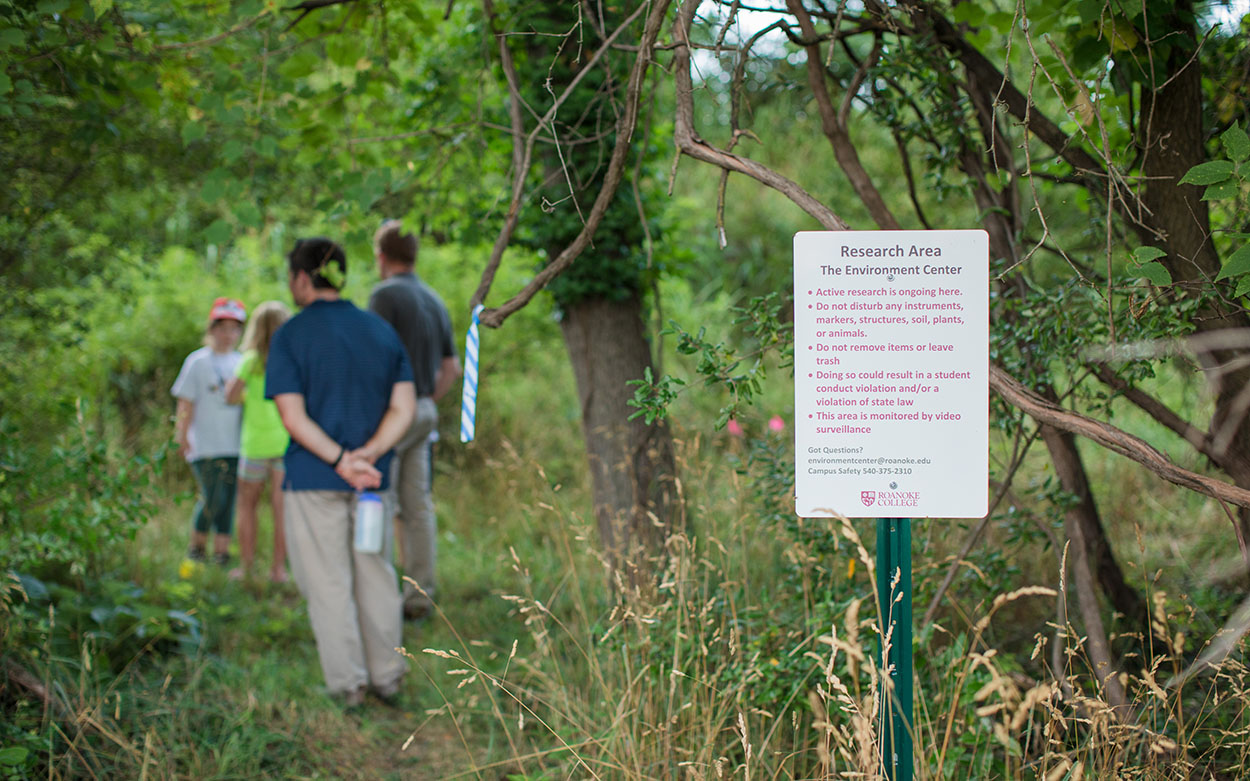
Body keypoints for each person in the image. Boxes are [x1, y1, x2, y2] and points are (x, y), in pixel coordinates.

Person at [266, 237, 416, 707]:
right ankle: (388, 676)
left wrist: (339, 460)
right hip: (372, 482)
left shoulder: (290, 336)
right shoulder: (379, 331)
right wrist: (367, 455)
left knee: (328, 582)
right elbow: (404, 407)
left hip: (314, 482)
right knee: (376, 574)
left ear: (302, 278)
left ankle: (348, 685)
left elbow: (292, 416)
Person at [368, 220, 461, 620]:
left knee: (381, 501)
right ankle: (420, 597)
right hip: (424, 409)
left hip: (395, 412)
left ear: (381, 256)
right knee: (417, 506)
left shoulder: (385, 296)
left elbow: (373, 358)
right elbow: (451, 367)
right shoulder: (432, 298)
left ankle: (380, 595)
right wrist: (424, 401)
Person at [172, 297, 247, 566]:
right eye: (223, 328)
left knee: (228, 500)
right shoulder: (197, 362)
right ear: (212, 329)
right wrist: (180, 436)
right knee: (212, 496)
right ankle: (197, 547)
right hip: (204, 444)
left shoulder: (242, 362)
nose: (228, 335)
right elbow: (185, 402)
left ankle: (222, 553)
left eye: (234, 329)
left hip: (235, 445)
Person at [225, 300, 291, 583]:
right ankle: (278, 569)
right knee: (281, 510)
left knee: (246, 506)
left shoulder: (249, 361)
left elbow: (229, 396)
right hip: (285, 444)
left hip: (254, 445)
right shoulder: (291, 360)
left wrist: (246, 398)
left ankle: (247, 567)